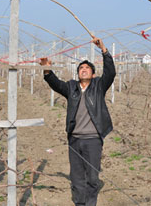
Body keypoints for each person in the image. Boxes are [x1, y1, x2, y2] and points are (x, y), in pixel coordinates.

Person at [40, 37, 116, 206]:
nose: (83, 70)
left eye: (87, 68)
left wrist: (103, 49)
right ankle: (79, 203)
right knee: (76, 176)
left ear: (93, 74)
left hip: (93, 139)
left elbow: (110, 72)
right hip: (75, 139)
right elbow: (56, 84)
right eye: (81, 68)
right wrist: (47, 69)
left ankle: (90, 203)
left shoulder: (98, 86)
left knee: (93, 176)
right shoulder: (72, 88)